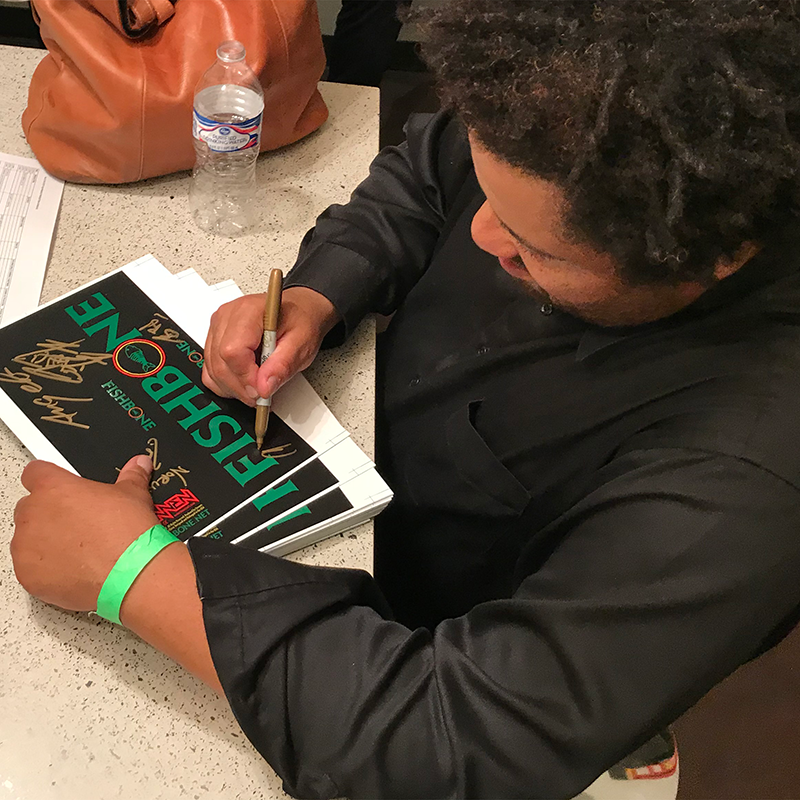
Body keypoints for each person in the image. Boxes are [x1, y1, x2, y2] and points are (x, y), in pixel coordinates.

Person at [11, 1, 800, 797]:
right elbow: (425, 178)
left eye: (535, 249)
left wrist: (132, 575)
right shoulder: (565, 99)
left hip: (439, 638)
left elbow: (454, 742)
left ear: (711, 255)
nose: (482, 235)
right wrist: (320, 293)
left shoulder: (748, 474)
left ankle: (628, 722)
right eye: (490, 192)